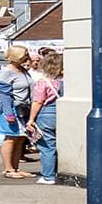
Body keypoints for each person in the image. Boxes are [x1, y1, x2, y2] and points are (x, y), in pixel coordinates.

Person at [0, 45, 34, 178]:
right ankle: (8, 169)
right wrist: (8, 113)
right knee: (10, 138)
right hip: (12, 110)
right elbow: (5, 95)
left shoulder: (22, 70)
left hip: (23, 110)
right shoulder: (6, 72)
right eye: (25, 54)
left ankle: (16, 168)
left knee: (20, 139)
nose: (28, 56)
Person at [30, 49, 64, 184]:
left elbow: (38, 102)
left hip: (46, 114)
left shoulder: (43, 82)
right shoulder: (65, 82)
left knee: (47, 146)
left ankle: (48, 176)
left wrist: (31, 119)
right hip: (63, 113)